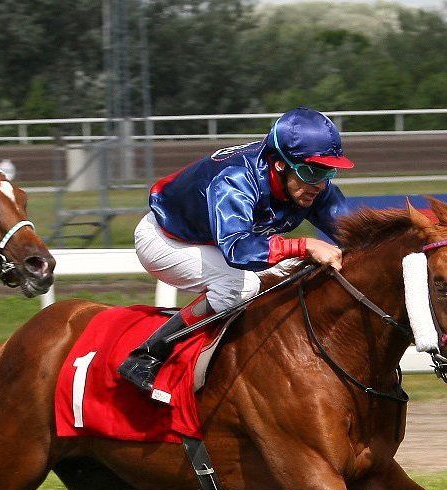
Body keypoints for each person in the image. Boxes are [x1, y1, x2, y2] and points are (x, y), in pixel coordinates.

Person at [117, 107, 355, 395]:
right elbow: (239, 251)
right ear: (279, 164)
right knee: (239, 285)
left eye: (327, 172)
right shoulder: (236, 179)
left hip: (223, 241)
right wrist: (303, 244)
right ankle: (148, 354)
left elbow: (356, 233)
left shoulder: (309, 183)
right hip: (168, 241)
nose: (318, 184)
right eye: (310, 171)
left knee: (297, 274)